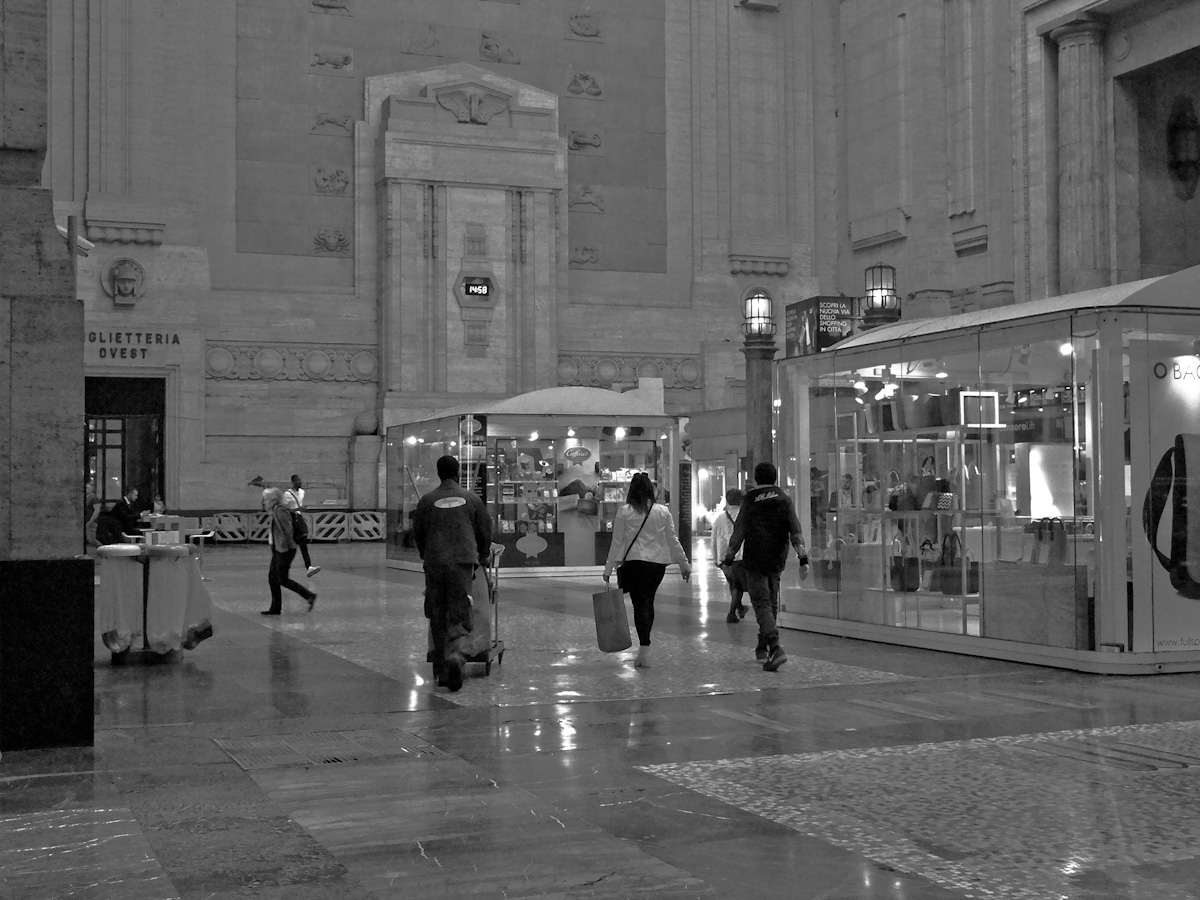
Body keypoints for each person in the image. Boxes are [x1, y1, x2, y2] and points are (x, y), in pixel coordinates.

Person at [412, 455, 493, 692]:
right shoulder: (471, 499)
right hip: (462, 562)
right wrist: (484, 552)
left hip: (435, 562)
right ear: (458, 473)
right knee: (460, 608)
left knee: (437, 610)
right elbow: (484, 529)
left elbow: (418, 531)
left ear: (438, 473)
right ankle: (456, 657)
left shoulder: (427, 501)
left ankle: (440, 664)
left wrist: (425, 554)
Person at [722, 462, 807, 672]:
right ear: (775, 477)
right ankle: (763, 647)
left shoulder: (750, 500)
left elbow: (739, 530)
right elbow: (795, 529)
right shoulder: (784, 499)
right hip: (777, 558)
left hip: (755, 558)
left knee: (761, 604)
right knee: (771, 601)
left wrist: (729, 556)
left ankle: (775, 648)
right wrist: (802, 556)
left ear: (756, 478)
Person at [602, 472, 692, 668]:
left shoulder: (624, 511)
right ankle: (645, 648)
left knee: (640, 604)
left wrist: (608, 568)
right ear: (651, 490)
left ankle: (644, 648)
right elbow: (672, 539)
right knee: (648, 602)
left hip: (634, 564)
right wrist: (684, 565)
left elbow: (616, 542)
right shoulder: (662, 512)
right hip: (657, 565)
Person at [261, 487, 317, 616]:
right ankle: (275, 608)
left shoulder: (280, 510)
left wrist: (287, 547)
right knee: (272, 578)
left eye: (265, 499)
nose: (263, 502)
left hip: (285, 550)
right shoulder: (276, 510)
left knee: (282, 579)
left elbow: (287, 530)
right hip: (279, 549)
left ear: (272, 500)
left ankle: (309, 595)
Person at [710, 487, 748, 623]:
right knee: (737, 586)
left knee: (733, 584)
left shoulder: (719, 518)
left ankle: (740, 608)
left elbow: (713, 538)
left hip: (723, 558)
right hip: (739, 557)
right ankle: (732, 613)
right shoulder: (744, 515)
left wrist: (715, 558)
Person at [282, 474, 321, 577]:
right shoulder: (287, 494)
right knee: (291, 547)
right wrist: (296, 509)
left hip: (298, 519)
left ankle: (308, 567)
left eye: (300, 480)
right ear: (293, 482)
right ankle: (283, 568)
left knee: (303, 543)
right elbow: (283, 510)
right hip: (290, 520)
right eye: (298, 481)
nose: (300, 482)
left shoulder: (302, 492)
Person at [84, 478, 101, 554]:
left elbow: (97, 510)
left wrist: (90, 521)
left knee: (91, 539)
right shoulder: (86, 498)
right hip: (87, 521)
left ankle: (102, 549)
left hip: (91, 522)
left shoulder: (93, 498)